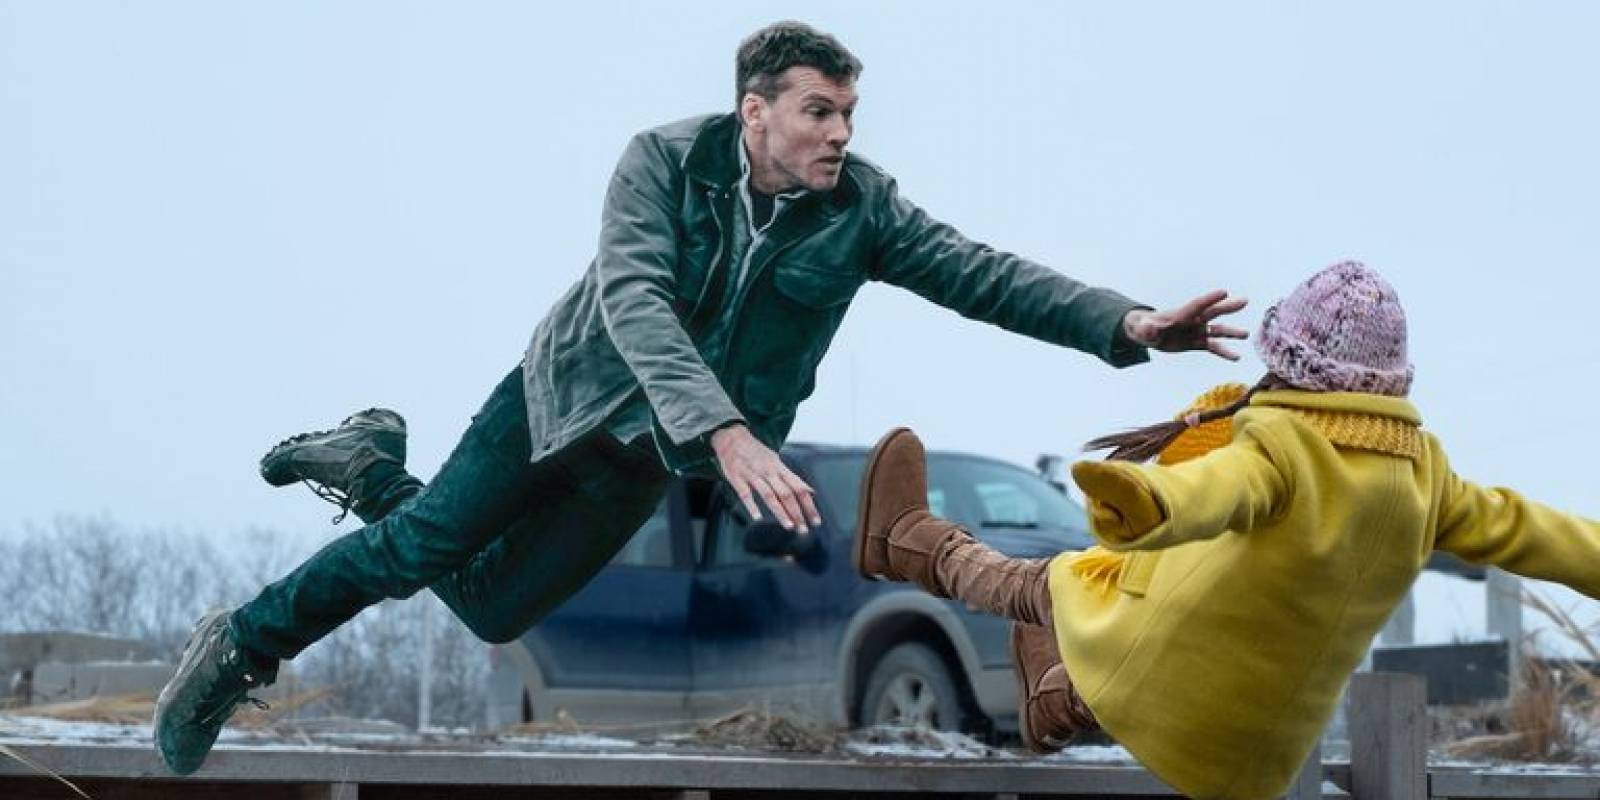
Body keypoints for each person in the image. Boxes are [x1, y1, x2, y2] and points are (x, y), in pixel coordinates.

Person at [152, 20, 1248, 774]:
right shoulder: (661, 165)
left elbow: (980, 273)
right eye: (819, 111)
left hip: (645, 458)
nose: (840, 133)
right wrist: (723, 430)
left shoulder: (862, 210)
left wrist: (1125, 325)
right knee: (416, 553)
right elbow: (635, 301)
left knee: (493, 607)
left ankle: (367, 466)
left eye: (850, 113)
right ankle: (240, 646)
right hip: (563, 399)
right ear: (754, 112)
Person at [853, 259, 1600, 799]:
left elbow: (1213, 489)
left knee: (1051, 582)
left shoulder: (1287, 446)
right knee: (1107, 603)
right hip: (1255, 760)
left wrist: (1144, 499)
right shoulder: (1424, 476)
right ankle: (1056, 697)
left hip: (1160, 695)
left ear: (1292, 365)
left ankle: (912, 540)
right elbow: (1525, 527)